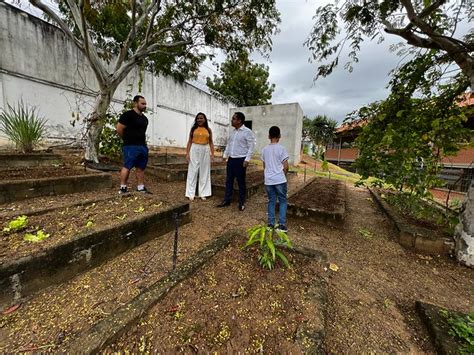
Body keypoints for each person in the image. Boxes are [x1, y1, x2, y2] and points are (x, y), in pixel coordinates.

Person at [216, 112, 256, 211]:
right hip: (231, 160)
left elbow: (251, 146)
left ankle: (241, 202)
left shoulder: (247, 132)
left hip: (241, 160)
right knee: (229, 181)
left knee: (241, 182)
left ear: (239, 120)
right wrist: (225, 156)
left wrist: (247, 159)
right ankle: (227, 200)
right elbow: (229, 145)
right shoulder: (233, 132)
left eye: (233, 119)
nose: (232, 120)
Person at [116, 95, 151, 194]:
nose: (145, 106)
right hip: (130, 146)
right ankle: (123, 188)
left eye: (145, 104)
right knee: (127, 166)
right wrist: (126, 139)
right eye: (142, 103)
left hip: (142, 146)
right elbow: (119, 129)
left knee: (141, 167)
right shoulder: (127, 115)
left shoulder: (145, 119)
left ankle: (140, 187)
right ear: (135, 103)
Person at [261, 126, 289, 232]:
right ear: (279, 136)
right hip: (280, 179)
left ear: (269, 136)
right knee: (282, 201)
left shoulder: (264, 150)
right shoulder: (282, 149)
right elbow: (286, 166)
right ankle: (281, 225)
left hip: (268, 180)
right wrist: (283, 176)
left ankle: (270, 224)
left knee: (271, 201)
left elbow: (264, 166)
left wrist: (268, 175)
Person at [185, 112, 215, 201]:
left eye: (201, 118)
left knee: (204, 171)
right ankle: (191, 193)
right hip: (194, 148)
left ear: (205, 119)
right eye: (198, 118)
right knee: (193, 171)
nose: (199, 120)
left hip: (205, 149)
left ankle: (203, 193)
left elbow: (211, 142)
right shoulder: (193, 129)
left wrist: (212, 154)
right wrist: (187, 153)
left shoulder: (208, 130)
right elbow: (189, 142)